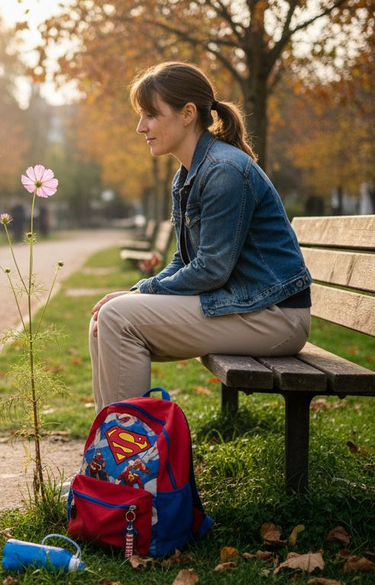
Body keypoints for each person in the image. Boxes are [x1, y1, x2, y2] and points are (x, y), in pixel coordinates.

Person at [89, 62, 312, 409]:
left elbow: (211, 269)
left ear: (187, 113)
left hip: (275, 317)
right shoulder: (188, 174)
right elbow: (185, 259)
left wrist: (143, 291)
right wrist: (135, 292)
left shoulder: (224, 171)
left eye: (150, 114)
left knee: (117, 317)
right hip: (245, 308)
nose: (140, 127)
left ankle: (129, 457)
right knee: (106, 320)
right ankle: (109, 451)